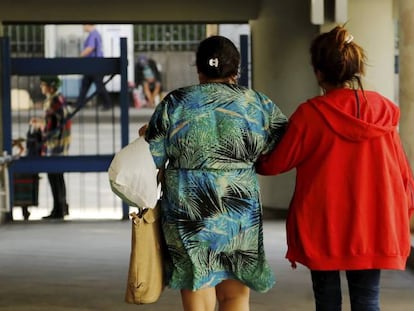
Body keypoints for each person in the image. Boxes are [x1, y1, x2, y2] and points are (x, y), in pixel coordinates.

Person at [256, 25, 414, 311]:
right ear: (357, 68)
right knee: (368, 301)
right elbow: (403, 175)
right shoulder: (384, 113)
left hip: (323, 225)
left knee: (327, 303)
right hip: (372, 225)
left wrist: (251, 155)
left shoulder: (310, 115)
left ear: (318, 72)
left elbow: (275, 163)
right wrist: (401, 216)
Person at [143, 35, 287, 311]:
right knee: (235, 297)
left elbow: (154, 155)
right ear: (236, 70)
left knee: (198, 286)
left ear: (198, 69)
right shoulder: (256, 103)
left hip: (189, 207)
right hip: (238, 208)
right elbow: (281, 146)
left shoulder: (176, 102)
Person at [31, 76, 72, 219]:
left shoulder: (53, 101)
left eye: (43, 85)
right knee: (58, 176)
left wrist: (40, 125)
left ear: (50, 86)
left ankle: (58, 209)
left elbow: (51, 126)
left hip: (54, 145)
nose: (41, 87)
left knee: (54, 176)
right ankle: (62, 207)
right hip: (62, 144)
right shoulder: (60, 99)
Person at [77, 24, 112, 111]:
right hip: (92, 65)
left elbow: (90, 48)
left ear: (88, 24)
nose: (83, 27)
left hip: (95, 65)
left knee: (99, 85)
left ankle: (107, 104)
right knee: (85, 84)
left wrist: (79, 56)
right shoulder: (94, 34)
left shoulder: (93, 34)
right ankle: (79, 103)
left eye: (84, 25)